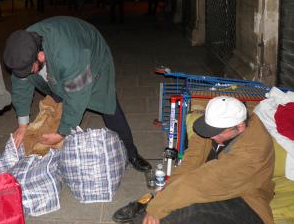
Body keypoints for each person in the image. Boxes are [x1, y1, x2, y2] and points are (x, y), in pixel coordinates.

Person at [3, 16, 152, 172]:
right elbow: (21, 85)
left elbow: (77, 97)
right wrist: (22, 125)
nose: (27, 74)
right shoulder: (22, 48)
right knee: (58, 99)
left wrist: (63, 132)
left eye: (30, 70)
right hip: (60, 59)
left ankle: (131, 153)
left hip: (93, 58)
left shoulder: (69, 55)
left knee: (109, 107)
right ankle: (57, 154)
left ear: (40, 56)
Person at [113, 96, 275, 224]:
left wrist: (157, 207)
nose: (211, 136)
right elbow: (191, 161)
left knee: (184, 215)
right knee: (165, 213)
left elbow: (203, 181)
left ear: (240, 127)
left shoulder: (254, 151)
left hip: (246, 201)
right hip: (207, 186)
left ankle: (148, 207)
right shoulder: (215, 127)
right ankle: (148, 208)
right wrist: (165, 192)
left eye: (217, 133)